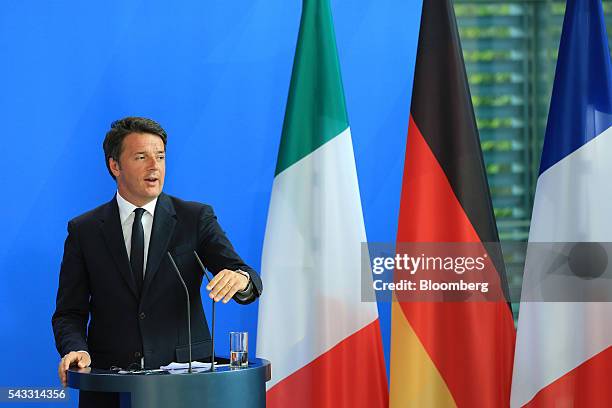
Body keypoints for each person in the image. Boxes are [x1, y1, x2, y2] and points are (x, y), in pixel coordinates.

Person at [52, 117, 263, 408]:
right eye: (141, 157)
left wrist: (242, 280)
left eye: (160, 156)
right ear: (115, 166)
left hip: (186, 386)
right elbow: (68, 313)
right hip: (112, 388)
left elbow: (246, 275)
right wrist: (76, 349)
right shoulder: (84, 230)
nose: (155, 166)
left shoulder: (194, 218)